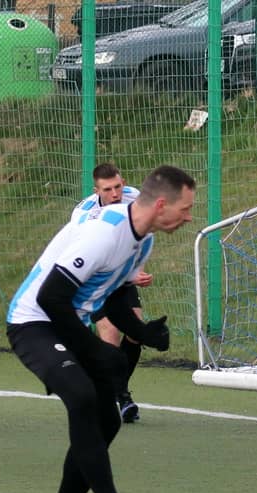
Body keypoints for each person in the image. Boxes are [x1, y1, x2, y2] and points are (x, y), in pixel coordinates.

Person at [6, 165, 195, 493]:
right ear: (161, 205)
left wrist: (142, 332)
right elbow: (50, 297)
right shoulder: (103, 234)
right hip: (33, 323)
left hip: (66, 320)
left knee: (107, 420)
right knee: (81, 396)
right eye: (186, 209)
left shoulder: (144, 239)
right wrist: (93, 347)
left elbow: (112, 293)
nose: (189, 217)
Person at [77, 163, 149, 423]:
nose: (115, 194)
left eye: (118, 187)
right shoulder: (84, 215)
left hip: (122, 273)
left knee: (136, 331)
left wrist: (137, 269)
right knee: (110, 335)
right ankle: (122, 397)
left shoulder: (134, 199)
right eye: (108, 189)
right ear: (96, 190)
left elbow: (140, 236)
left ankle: (112, 391)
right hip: (92, 278)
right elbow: (85, 258)